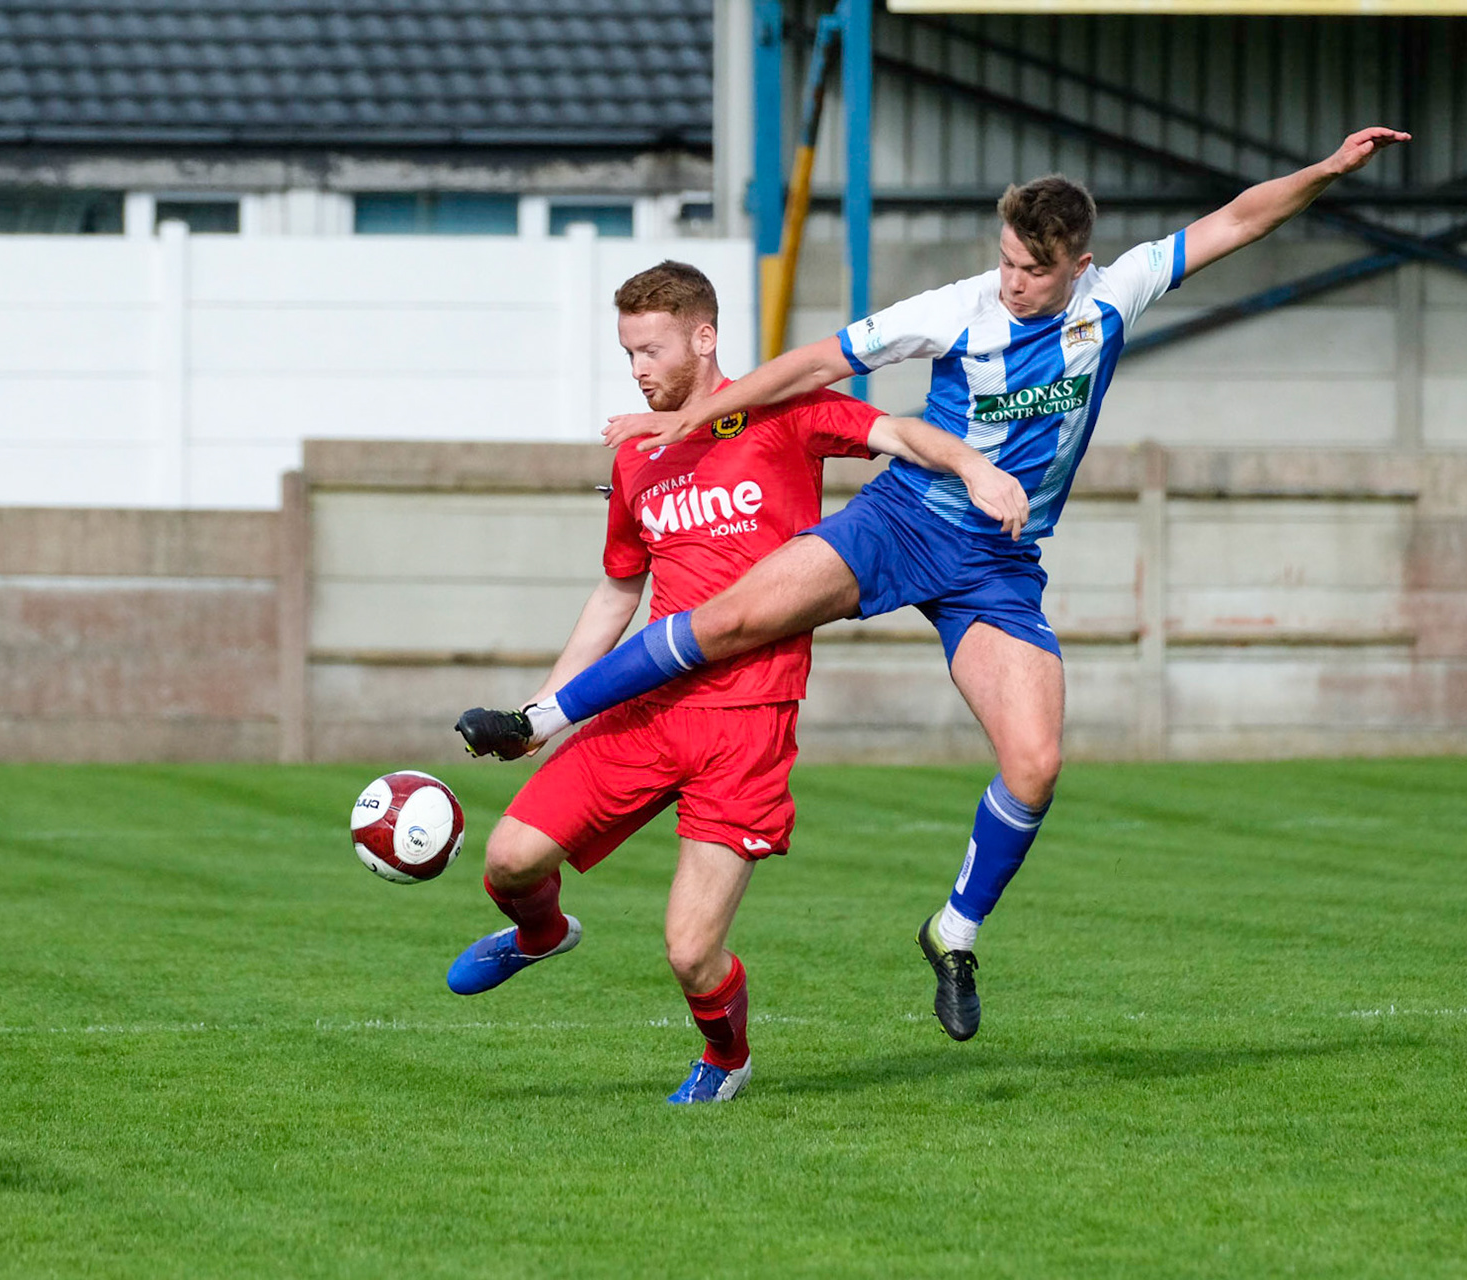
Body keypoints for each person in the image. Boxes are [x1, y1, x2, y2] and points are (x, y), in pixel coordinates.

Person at [461, 128, 1412, 1043]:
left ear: (1079, 266)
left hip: (998, 567)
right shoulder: (957, 309)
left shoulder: (1117, 296)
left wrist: (1329, 168)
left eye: (1032, 270)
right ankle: (541, 721)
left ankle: (953, 932)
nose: (1011, 281)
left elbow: (1241, 220)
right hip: (903, 521)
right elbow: (815, 364)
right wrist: (693, 417)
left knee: (1036, 764)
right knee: (736, 613)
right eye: (1004, 261)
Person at [449, 261, 1027, 1104]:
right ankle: (542, 934)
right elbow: (618, 589)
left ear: (704, 336)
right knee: (507, 861)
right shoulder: (638, 457)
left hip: (747, 722)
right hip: (644, 705)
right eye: (628, 353)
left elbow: (902, 435)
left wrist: (975, 469)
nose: (638, 370)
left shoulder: (783, 412)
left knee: (690, 952)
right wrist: (544, 706)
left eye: (651, 350)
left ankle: (726, 1059)